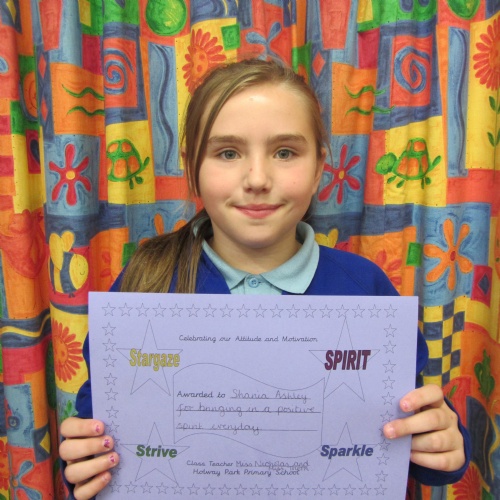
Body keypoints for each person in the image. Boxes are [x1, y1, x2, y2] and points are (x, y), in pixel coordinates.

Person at [59, 58, 470, 500]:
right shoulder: (144, 284)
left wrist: (444, 445)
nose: (257, 179)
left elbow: (412, 434)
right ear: (191, 166)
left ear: (320, 166)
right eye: (228, 153)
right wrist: (83, 460)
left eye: (285, 152)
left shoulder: (366, 289)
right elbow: (98, 436)